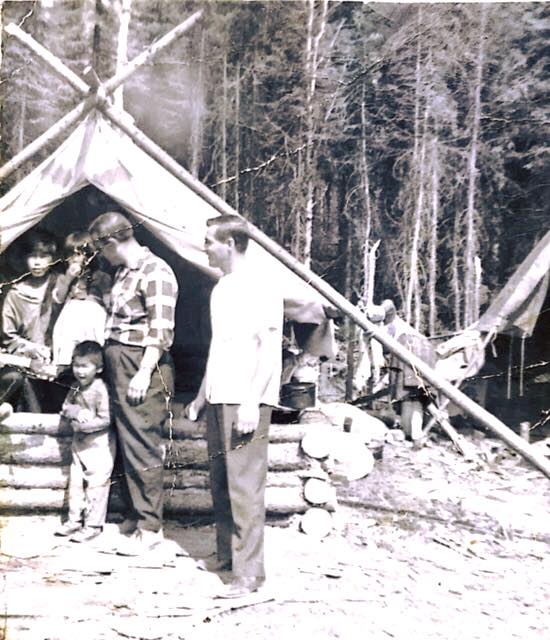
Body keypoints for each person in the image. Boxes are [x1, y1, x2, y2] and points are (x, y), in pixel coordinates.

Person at [187, 214, 284, 598]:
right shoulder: (222, 287)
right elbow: (219, 347)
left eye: (210, 241)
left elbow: (270, 350)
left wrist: (250, 402)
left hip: (247, 399)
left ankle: (249, 574)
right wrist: (200, 395)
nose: (205, 247)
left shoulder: (262, 286)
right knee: (222, 483)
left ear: (230, 244)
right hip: (219, 396)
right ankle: (228, 556)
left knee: (245, 487)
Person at [88, 212, 178, 556]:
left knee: (142, 444)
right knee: (127, 443)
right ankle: (134, 515)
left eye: (101, 248)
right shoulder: (123, 271)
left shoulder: (156, 271)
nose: (101, 255)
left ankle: (150, 528)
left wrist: (143, 371)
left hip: (141, 364)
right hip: (118, 361)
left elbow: (160, 329)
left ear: (110, 242)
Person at [55, 341, 115, 543]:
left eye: (85, 366)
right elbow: (65, 406)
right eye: (76, 365)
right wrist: (76, 412)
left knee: (96, 486)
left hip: (99, 446)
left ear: (98, 369)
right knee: (76, 485)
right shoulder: (74, 387)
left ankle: (92, 525)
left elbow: (106, 419)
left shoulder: (100, 389)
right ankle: (74, 521)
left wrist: (81, 427)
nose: (79, 371)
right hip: (79, 446)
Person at [0, 231, 60, 411]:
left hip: (56, 360)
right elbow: (8, 336)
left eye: (44, 256)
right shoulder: (15, 293)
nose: (37, 262)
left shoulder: (60, 287)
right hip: (25, 361)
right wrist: (32, 349)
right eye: (33, 256)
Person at [51, 270, 107, 369]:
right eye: (74, 287)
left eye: (81, 287)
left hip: (85, 357)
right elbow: (59, 333)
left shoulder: (95, 308)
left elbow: (99, 336)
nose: (77, 291)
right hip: (65, 357)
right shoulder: (69, 304)